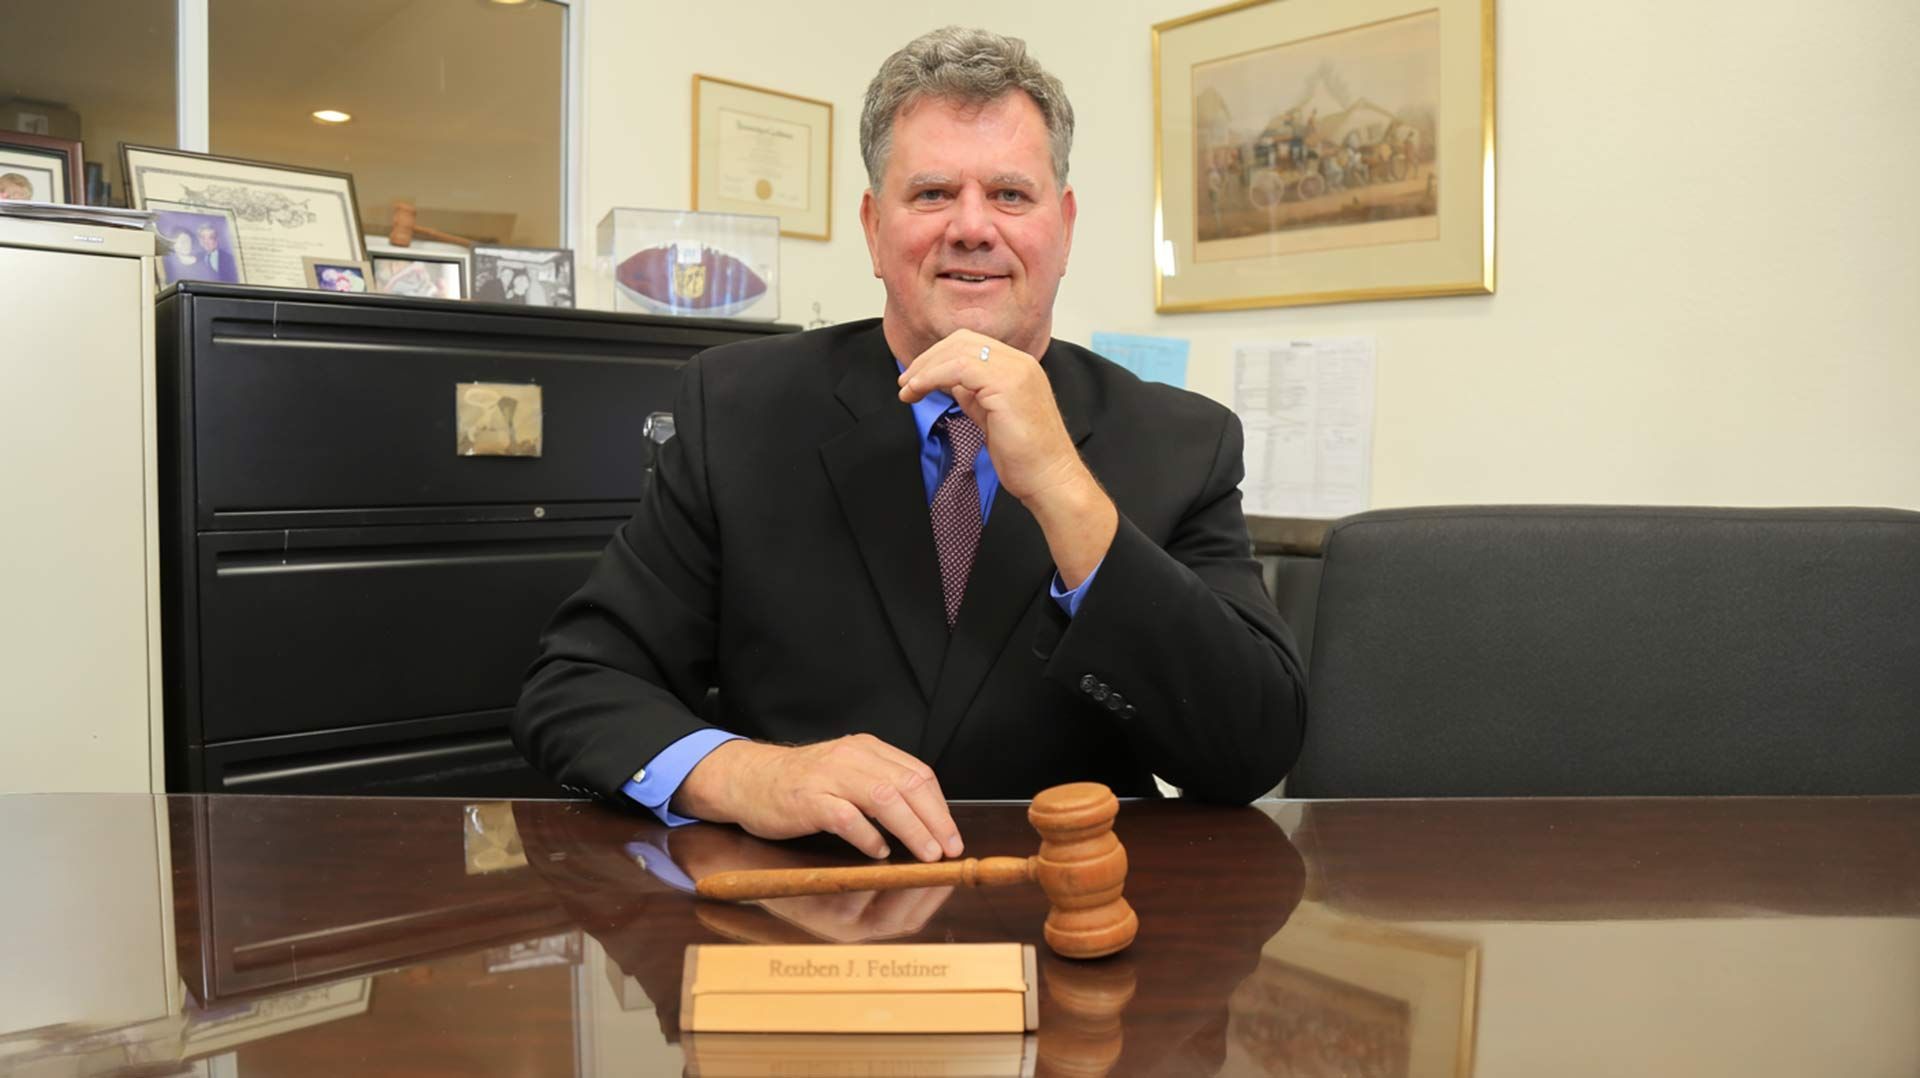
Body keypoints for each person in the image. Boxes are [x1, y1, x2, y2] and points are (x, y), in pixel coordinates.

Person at [514, 26, 1306, 864]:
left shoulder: (1183, 440)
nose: (972, 227)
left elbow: (1251, 748)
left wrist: (1066, 491)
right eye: (932, 193)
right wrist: (746, 774)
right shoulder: (737, 406)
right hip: (797, 921)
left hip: (1064, 917)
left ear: (1063, 227)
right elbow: (576, 686)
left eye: (1010, 194)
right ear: (872, 225)